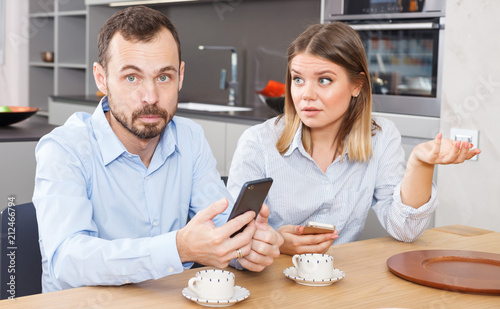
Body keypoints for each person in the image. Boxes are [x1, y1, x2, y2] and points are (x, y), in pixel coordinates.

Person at [33, 6, 282, 293]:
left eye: (164, 77)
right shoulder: (64, 149)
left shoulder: (189, 137)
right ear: (101, 79)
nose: (150, 97)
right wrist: (178, 249)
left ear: (181, 75)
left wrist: (248, 246)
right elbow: (67, 262)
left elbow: (219, 227)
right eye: (131, 77)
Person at [227, 22, 480, 255]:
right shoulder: (258, 142)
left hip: (341, 282)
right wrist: (276, 242)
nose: (306, 94)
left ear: (357, 85)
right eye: (298, 80)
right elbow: (230, 240)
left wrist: (421, 164)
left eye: (324, 80)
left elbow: (406, 230)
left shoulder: (381, 137)